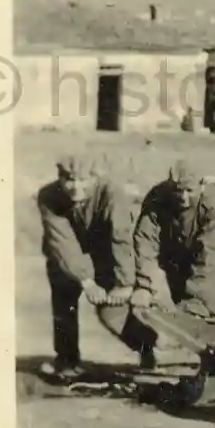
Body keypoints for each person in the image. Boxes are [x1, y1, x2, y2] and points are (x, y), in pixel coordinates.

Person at [35, 152, 143, 378]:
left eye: (83, 179)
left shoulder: (112, 192)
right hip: (66, 257)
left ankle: (148, 348)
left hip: (105, 254)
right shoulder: (48, 196)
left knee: (113, 312)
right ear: (59, 178)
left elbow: (120, 236)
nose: (76, 187)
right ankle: (66, 360)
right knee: (64, 301)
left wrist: (124, 282)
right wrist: (85, 280)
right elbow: (61, 241)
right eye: (69, 179)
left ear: (95, 177)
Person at [128, 161, 215, 360]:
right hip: (172, 257)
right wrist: (144, 284)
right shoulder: (157, 197)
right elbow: (145, 240)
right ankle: (149, 351)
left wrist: (194, 298)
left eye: (189, 190)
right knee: (155, 311)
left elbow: (210, 254)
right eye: (177, 191)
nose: (182, 197)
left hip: (210, 263)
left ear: (201, 186)